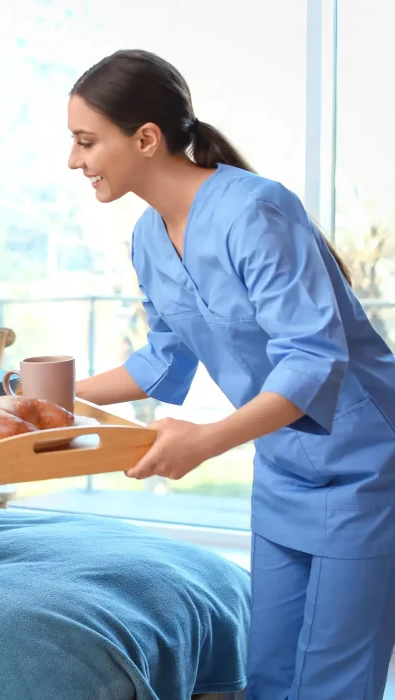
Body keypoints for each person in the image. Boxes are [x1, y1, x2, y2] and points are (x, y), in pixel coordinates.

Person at [68, 49, 395, 699]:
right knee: (269, 673)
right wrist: (33, 392)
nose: (74, 160)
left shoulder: (255, 211)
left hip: (365, 465)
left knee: (333, 682)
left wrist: (205, 440)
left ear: (146, 139)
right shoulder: (147, 237)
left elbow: (313, 357)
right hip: (282, 468)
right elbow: (162, 358)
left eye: (85, 141)